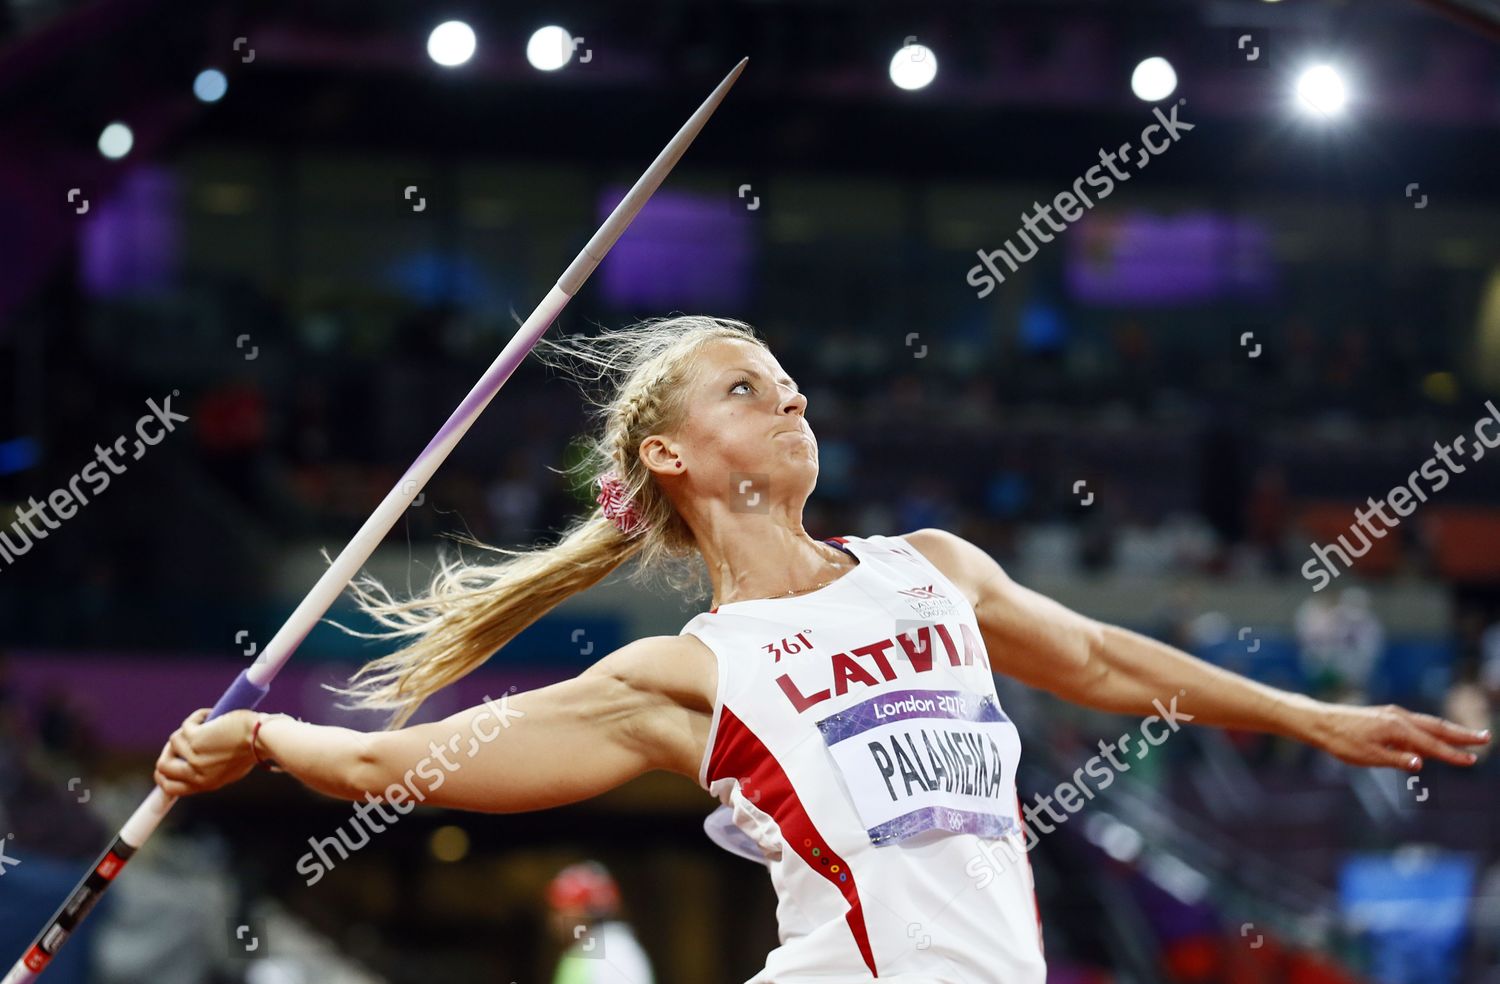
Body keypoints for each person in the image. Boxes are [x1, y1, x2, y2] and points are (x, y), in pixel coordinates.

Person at [155, 316, 1491, 984]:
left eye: (785, 377)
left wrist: (1312, 719)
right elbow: (426, 762)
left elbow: (1097, 659)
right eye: (745, 385)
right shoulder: (696, 673)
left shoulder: (935, 572)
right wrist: (267, 737)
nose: (788, 391)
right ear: (671, 457)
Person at [544, 861, 654, 984]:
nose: (555, 919)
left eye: (563, 908)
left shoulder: (616, 952)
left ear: (590, 909)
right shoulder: (584, 949)